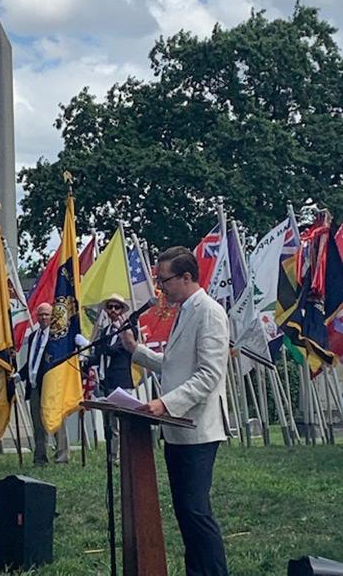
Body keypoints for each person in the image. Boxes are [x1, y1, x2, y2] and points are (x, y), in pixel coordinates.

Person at [121, 246, 229, 576]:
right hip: (177, 428)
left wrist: (165, 403)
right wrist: (137, 351)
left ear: (186, 277)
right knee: (185, 511)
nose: (160, 287)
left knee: (196, 511)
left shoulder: (208, 312)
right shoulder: (185, 309)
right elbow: (175, 366)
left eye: (163, 279)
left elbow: (209, 375)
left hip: (197, 428)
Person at [15, 302, 69, 465]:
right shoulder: (33, 336)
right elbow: (32, 361)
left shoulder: (57, 336)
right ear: (36, 317)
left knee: (55, 419)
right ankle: (40, 457)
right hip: (34, 385)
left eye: (47, 314)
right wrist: (20, 374)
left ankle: (62, 456)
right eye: (41, 315)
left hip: (51, 385)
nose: (44, 318)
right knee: (37, 423)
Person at [88, 293, 137, 463]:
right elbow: (98, 355)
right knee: (109, 422)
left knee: (122, 421)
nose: (113, 311)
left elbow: (116, 350)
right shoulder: (105, 331)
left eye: (117, 307)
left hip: (122, 381)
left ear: (122, 310)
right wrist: (85, 359)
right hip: (106, 380)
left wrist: (97, 348)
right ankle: (111, 455)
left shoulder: (129, 329)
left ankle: (122, 456)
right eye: (110, 307)